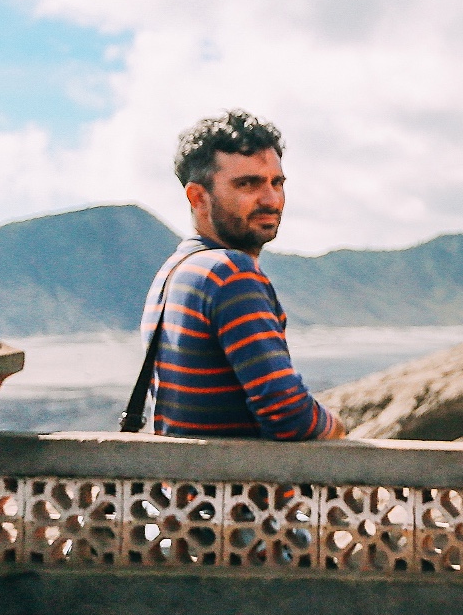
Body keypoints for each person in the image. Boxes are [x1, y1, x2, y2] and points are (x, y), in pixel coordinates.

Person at [134, 110, 344, 440]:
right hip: (236, 490)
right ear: (197, 197)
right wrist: (339, 428)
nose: (271, 199)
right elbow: (289, 414)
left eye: (277, 183)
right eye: (248, 184)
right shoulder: (228, 273)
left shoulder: (176, 270)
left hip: (188, 487)